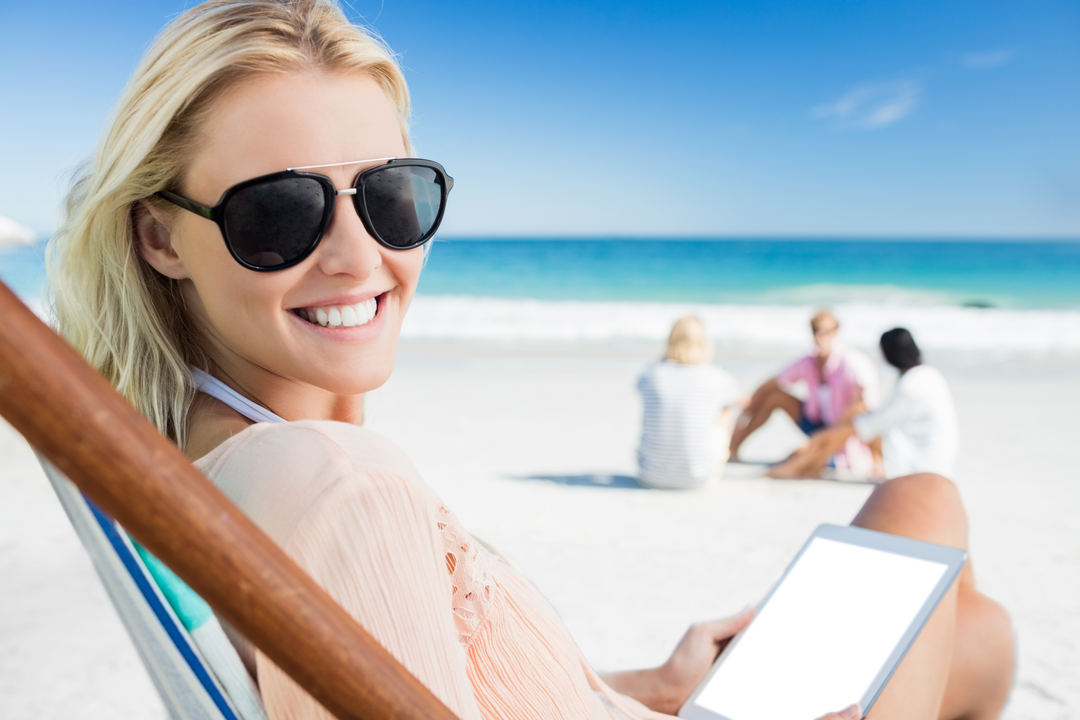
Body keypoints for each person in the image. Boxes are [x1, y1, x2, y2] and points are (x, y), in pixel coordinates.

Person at [48, 2, 1014, 718]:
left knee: (952, 579)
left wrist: (634, 687)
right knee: (931, 524)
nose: (359, 257)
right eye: (280, 212)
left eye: (393, 197)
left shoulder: (214, 456)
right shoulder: (340, 483)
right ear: (160, 238)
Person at [768, 329, 959, 481]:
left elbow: (875, 424)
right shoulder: (929, 375)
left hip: (920, 467)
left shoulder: (911, 384)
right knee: (855, 419)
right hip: (933, 462)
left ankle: (803, 463)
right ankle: (808, 462)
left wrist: (836, 429)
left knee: (853, 421)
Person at [729, 310, 880, 474]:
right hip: (816, 423)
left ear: (836, 333)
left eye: (827, 332)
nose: (821, 337)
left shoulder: (853, 363)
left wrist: (825, 440)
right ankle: (733, 447)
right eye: (817, 331)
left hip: (840, 429)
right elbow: (772, 383)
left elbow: (867, 408)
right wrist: (746, 412)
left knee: (862, 410)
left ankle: (877, 463)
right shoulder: (809, 361)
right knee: (774, 397)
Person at [637, 316, 747, 489]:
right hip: (700, 479)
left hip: (650, 476)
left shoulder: (650, 373)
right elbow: (743, 401)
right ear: (704, 343)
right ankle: (726, 454)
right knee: (726, 410)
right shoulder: (716, 377)